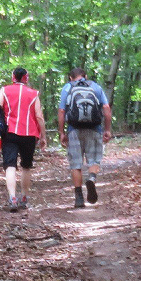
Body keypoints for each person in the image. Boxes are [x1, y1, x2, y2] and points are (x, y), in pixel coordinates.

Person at [58, 67, 113, 208]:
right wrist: (107, 129)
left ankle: (79, 198)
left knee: (76, 164)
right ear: (85, 76)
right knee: (94, 159)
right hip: (94, 129)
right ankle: (92, 178)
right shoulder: (96, 87)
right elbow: (106, 109)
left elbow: (62, 110)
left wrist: (62, 132)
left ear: (71, 77)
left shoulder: (67, 88)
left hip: (74, 130)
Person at [0, 67, 47, 212]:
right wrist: (43, 136)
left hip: (9, 132)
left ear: (13, 77)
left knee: (10, 165)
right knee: (26, 165)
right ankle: (24, 197)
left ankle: (12, 197)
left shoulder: (4, 91)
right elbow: (38, 116)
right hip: (29, 134)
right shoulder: (33, 94)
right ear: (26, 78)